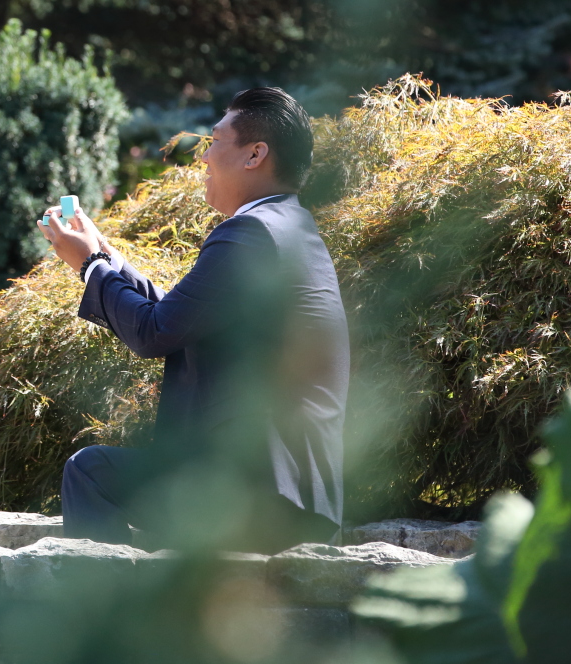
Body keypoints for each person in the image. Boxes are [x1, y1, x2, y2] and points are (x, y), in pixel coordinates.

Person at [42, 86, 349, 552]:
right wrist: (106, 255)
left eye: (214, 140)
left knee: (91, 472)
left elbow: (154, 331)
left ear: (254, 154)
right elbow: (180, 316)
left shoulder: (250, 233)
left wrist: (89, 268)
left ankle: (111, 621)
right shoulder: (286, 226)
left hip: (256, 493)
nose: (203, 157)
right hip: (292, 494)